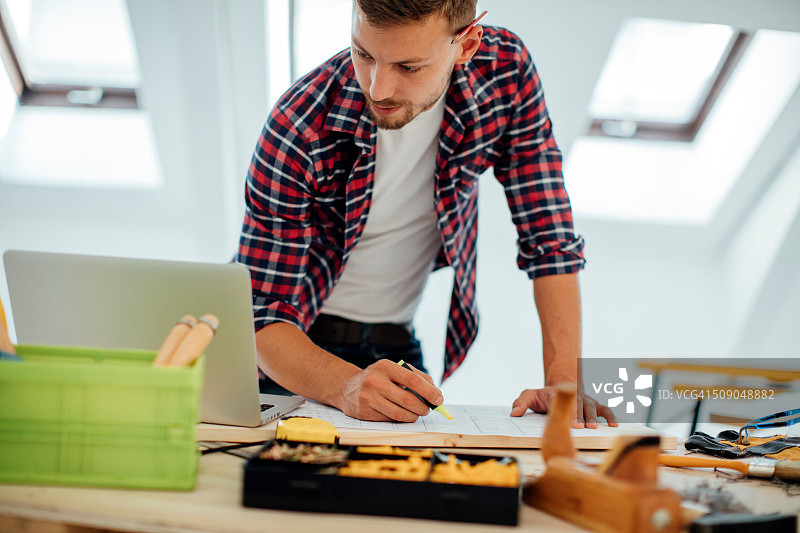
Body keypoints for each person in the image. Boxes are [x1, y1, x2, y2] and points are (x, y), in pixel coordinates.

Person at [236, 0, 616, 428]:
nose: (378, 89)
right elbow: (261, 313)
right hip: (295, 349)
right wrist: (346, 386)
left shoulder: (505, 73)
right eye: (363, 54)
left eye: (409, 67)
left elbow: (550, 238)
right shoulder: (299, 125)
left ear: (467, 44)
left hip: (395, 342)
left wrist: (563, 383)